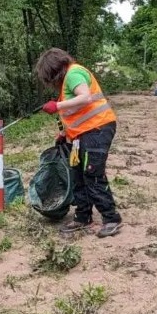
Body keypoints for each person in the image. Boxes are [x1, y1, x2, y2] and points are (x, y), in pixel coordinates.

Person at [35, 48, 122, 238]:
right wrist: (64, 133)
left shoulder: (74, 73)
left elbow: (85, 98)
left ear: (54, 70)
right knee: (77, 174)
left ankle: (111, 218)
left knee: (92, 173)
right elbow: (76, 112)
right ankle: (83, 217)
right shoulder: (67, 81)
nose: (51, 83)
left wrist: (56, 106)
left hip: (97, 130)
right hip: (81, 135)